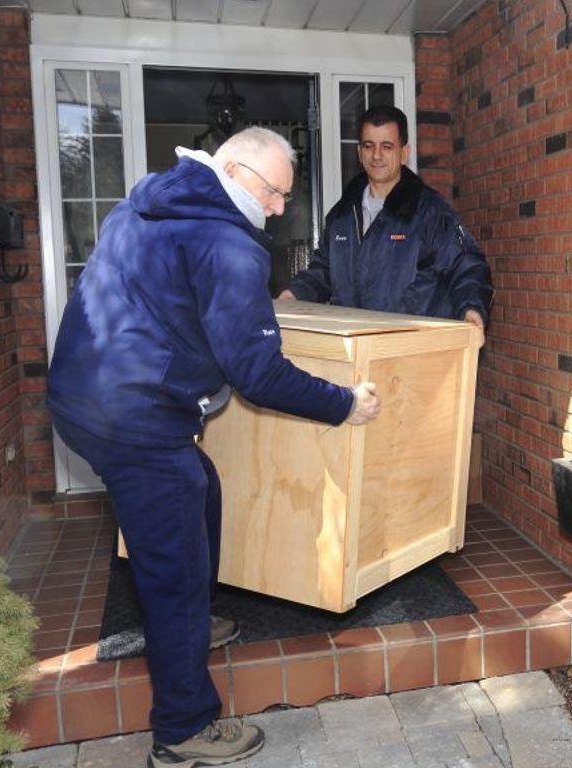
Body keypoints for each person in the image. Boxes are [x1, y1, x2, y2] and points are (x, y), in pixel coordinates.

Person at [46, 127, 381, 768]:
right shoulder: (227, 242)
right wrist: (344, 404)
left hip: (87, 399)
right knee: (173, 557)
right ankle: (183, 730)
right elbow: (258, 374)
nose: (282, 208)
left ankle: (193, 619)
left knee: (200, 485)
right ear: (233, 169)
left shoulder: (149, 201)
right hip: (133, 414)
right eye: (277, 192)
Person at [279, 105, 493, 342]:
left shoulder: (429, 211)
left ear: (404, 153)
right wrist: (295, 293)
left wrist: (472, 308)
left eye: (387, 146)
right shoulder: (341, 216)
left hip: (410, 351)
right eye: (369, 146)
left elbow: (467, 265)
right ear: (359, 153)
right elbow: (324, 271)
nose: (377, 155)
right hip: (355, 349)